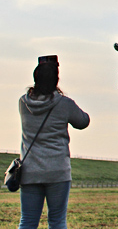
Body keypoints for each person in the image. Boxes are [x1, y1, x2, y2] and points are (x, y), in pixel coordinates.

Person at [18, 57, 90, 229]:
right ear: (56, 80)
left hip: (30, 171)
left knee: (27, 220)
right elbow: (83, 121)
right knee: (57, 221)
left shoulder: (23, 102)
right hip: (57, 170)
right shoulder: (64, 104)